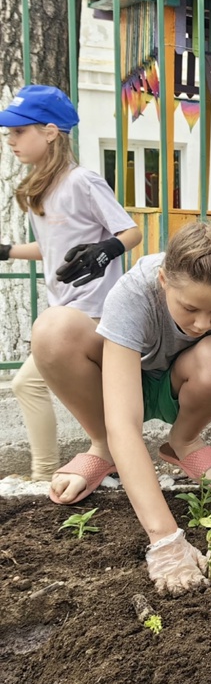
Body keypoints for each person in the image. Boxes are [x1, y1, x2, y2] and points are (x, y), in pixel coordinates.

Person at [44, 221, 211, 594]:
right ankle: (102, 449)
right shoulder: (134, 291)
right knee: (53, 330)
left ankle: (184, 441)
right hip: (121, 386)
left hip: (185, 385)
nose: (202, 323)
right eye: (190, 308)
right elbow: (124, 421)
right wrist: (164, 538)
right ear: (164, 280)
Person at [0, 85, 142, 485]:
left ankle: (97, 456)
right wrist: (7, 251)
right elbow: (54, 250)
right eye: (8, 133)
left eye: (18, 131)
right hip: (65, 313)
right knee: (27, 384)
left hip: (94, 313)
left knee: (30, 382)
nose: (10, 140)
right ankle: (54, 471)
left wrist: (105, 251)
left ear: (50, 132)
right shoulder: (42, 188)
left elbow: (130, 232)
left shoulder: (83, 181)